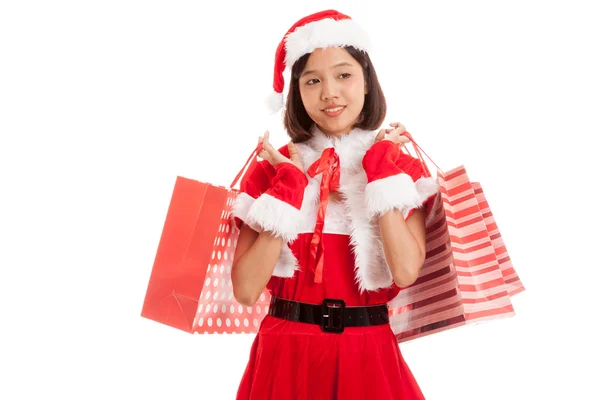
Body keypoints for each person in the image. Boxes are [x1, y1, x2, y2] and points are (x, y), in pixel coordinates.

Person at [231, 9, 439, 400]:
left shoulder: (400, 169)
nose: (330, 92)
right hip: (285, 356)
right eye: (312, 80)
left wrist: (379, 173)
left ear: (366, 82)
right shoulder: (271, 171)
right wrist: (289, 191)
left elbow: (406, 270)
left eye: (344, 75)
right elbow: (245, 289)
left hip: (368, 355)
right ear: (296, 91)